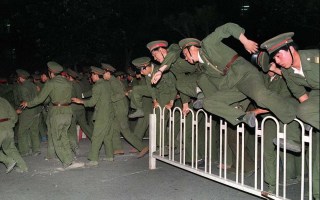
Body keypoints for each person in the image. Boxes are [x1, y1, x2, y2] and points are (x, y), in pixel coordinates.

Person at [156, 22, 297, 128]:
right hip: (232, 84)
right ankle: (242, 116)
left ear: (191, 48)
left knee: (261, 98)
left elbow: (227, 27)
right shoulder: (202, 66)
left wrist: (245, 41)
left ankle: (295, 114)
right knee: (209, 103)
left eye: (184, 54)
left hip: (244, 74)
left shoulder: (207, 44)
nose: (185, 58)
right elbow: (199, 76)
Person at [260, 32, 319, 200]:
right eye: (275, 58)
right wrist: (310, 118)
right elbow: (303, 99)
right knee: (317, 165)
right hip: (316, 100)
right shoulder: (288, 73)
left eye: (279, 55)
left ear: (292, 49)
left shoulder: (315, 58)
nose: (277, 61)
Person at [20, 61, 84, 169]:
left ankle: (67, 161)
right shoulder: (68, 82)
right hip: (68, 111)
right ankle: (70, 158)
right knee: (63, 136)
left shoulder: (51, 83)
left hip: (57, 112)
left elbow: (41, 99)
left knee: (56, 138)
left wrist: (28, 103)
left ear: (51, 72)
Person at [100, 63, 149, 158]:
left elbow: (121, 94)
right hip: (117, 109)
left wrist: (109, 98)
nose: (102, 75)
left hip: (120, 110)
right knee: (114, 129)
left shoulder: (114, 82)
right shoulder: (112, 81)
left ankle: (142, 147)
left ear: (107, 73)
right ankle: (118, 148)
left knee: (125, 131)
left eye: (103, 73)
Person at [72, 66, 115, 166]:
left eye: (92, 75)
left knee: (96, 136)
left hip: (102, 114)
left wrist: (80, 101)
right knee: (107, 136)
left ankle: (93, 159)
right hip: (110, 112)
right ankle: (110, 156)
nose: (91, 77)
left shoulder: (97, 86)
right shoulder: (107, 84)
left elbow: (92, 102)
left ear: (96, 75)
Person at [15, 69, 41, 156]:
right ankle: (36, 150)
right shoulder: (33, 85)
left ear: (21, 78)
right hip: (36, 110)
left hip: (28, 112)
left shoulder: (23, 87)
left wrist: (19, 110)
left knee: (22, 131)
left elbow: (25, 102)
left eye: (18, 77)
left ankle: (24, 151)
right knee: (34, 130)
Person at [66, 68, 93, 155]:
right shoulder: (80, 83)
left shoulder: (69, 85)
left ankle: (75, 146)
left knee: (72, 127)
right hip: (81, 107)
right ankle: (95, 139)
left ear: (69, 76)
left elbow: (70, 97)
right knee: (84, 125)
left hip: (73, 108)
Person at [0, 97, 28, 173]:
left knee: (10, 148)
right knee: (10, 148)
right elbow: (14, 114)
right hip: (8, 127)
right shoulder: (3, 100)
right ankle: (23, 167)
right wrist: (11, 124)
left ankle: (8, 161)